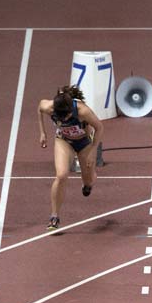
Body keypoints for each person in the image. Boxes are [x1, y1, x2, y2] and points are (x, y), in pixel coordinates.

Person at [37, 85, 104, 231]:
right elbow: (39, 108)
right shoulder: (48, 107)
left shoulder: (83, 111)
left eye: (67, 116)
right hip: (63, 140)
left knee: (89, 180)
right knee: (61, 175)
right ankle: (54, 217)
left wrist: (93, 150)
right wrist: (42, 133)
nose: (65, 119)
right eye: (62, 117)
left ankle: (88, 184)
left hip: (84, 142)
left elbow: (99, 127)